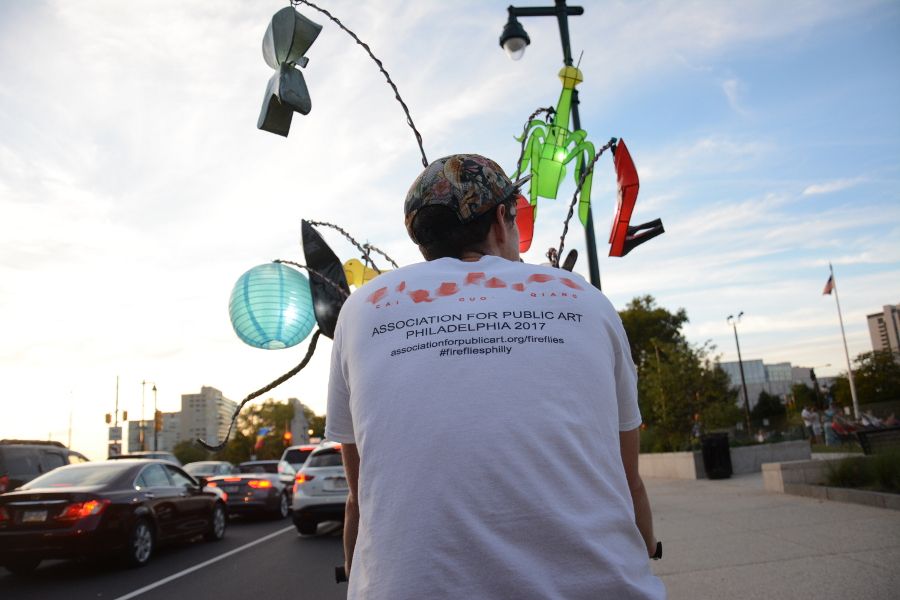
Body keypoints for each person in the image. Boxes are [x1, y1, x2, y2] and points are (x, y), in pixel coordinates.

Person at [325, 154, 665, 599]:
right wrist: (647, 547)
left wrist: (354, 569)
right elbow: (628, 479)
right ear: (502, 222)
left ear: (424, 242)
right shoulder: (585, 298)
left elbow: (360, 495)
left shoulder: (361, 310)